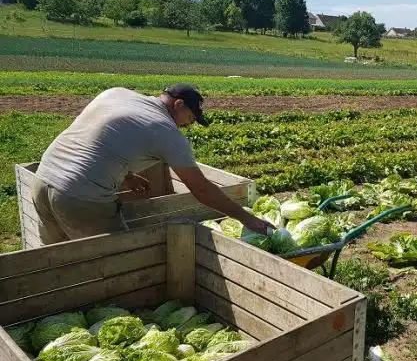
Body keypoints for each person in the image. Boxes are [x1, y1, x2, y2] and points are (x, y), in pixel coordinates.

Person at [31, 84, 273, 244]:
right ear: (178, 105)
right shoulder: (165, 130)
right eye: (190, 118)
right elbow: (201, 189)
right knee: (114, 264)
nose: (188, 126)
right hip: (81, 197)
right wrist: (247, 218)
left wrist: (127, 175)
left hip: (42, 180)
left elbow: (99, 137)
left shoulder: (116, 93)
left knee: (56, 261)